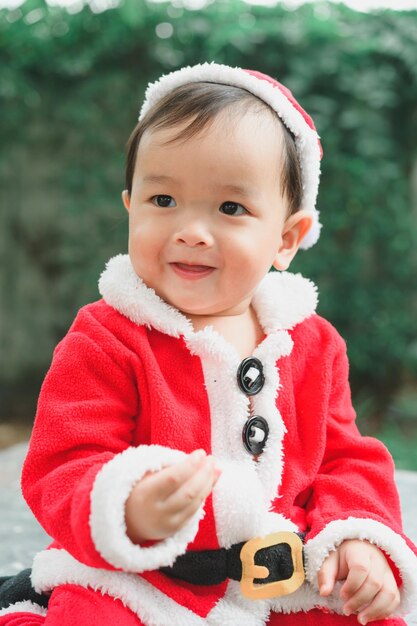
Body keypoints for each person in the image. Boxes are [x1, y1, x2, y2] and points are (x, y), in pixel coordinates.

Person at [0, 62, 416, 626]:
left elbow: (345, 458)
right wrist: (130, 509)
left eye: (230, 208)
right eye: (163, 201)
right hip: (142, 580)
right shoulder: (107, 335)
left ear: (287, 239)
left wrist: (357, 539)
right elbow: (63, 458)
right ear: (130, 207)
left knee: (368, 614)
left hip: (281, 583)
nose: (191, 230)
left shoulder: (311, 344)